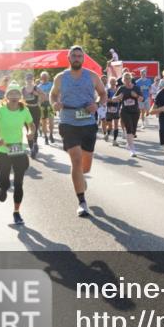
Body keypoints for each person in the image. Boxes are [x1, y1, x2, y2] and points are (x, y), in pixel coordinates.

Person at [50, 45, 107, 217]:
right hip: (68, 122)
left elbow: (103, 94)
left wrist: (96, 104)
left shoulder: (92, 76)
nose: (76, 58)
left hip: (88, 123)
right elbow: (53, 95)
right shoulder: (60, 77)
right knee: (76, 161)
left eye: (79, 56)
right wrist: (54, 103)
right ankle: (82, 201)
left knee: (85, 167)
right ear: (69, 58)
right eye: (73, 56)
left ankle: (81, 180)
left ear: (83, 59)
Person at [0, 82, 35, 226]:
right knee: (5, 183)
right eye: (11, 94)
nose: (14, 96)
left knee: (19, 183)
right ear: (6, 96)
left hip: (18, 150)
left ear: (20, 96)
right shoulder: (0, 111)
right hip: (3, 151)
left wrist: (31, 132)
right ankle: (3, 187)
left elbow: (31, 125)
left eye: (17, 94)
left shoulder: (24, 110)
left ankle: (16, 212)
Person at [114, 72, 142, 157]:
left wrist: (136, 96)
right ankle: (132, 149)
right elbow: (113, 98)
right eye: (125, 79)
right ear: (123, 80)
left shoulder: (136, 88)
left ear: (131, 79)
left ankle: (129, 143)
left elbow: (141, 99)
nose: (127, 80)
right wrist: (118, 97)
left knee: (133, 129)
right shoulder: (121, 88)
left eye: (128, 78)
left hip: (135, 111)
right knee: (129, 128)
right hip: (125, 111)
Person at [21, 72, 45, 158]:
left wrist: (38, 98)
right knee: (28, 129)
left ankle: (35, 143)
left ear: (33, 79)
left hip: (35, 109)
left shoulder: (36, 88)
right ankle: (32, 149)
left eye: (30, 79)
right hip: (26, 111)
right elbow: (20, 100)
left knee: (35, 127)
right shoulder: (23, 89)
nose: (29, 80)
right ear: (25, 80)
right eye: (27, 79)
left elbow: (44, 96)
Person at [37, 71, 56, 144]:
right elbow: (38, 98)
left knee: (51, 122)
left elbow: (55, 93)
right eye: (43, 77)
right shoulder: (38, 87)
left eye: (46, 77)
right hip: (42, 106)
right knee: (44, 122)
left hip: (50, 105)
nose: (44, 78)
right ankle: (46, 137)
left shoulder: (52, 84)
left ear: (48, 77)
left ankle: (51, 134)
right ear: (41, 78)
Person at [103, 77, 122, 144]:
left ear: (116, 82)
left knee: (116, 124)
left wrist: (119, 99)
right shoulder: (107, 90)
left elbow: (120, 99)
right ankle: (107, 134)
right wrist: (112, 100)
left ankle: (114, 140)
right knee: (110, 125)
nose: (113, 83)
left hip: (116, 109)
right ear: (110, 82)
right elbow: (106, 99)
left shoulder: (118, 90)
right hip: (109, 109)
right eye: (112, 82)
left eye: (114, 81)